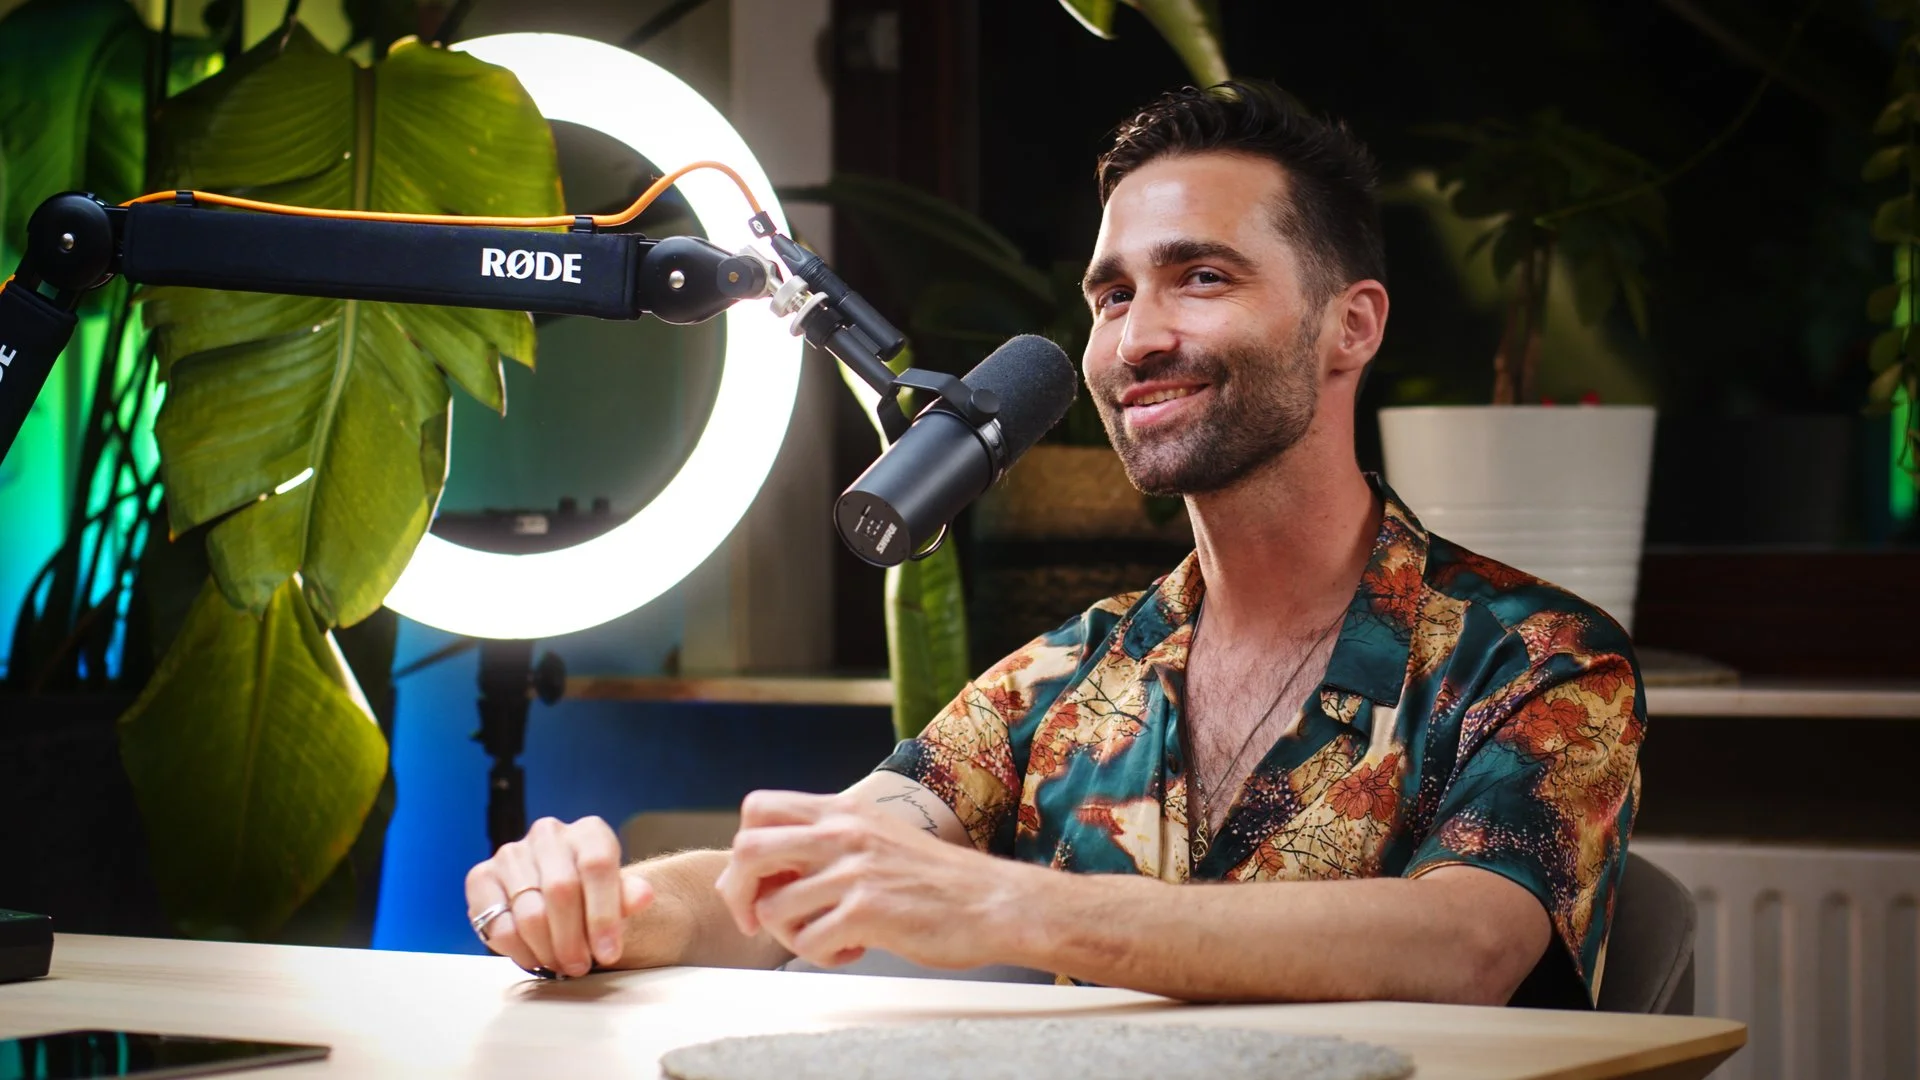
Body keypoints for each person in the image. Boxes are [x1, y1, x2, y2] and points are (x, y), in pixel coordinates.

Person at [463, 80, 1644, 1009]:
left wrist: (1012, 910)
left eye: (1203, 276)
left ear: (1353, 324)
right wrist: (608, 907)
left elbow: (1464, 945)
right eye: (1113, 295)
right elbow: (821, 869)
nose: (1139, 335)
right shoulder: (1070, 678)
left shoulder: (1534, 662)